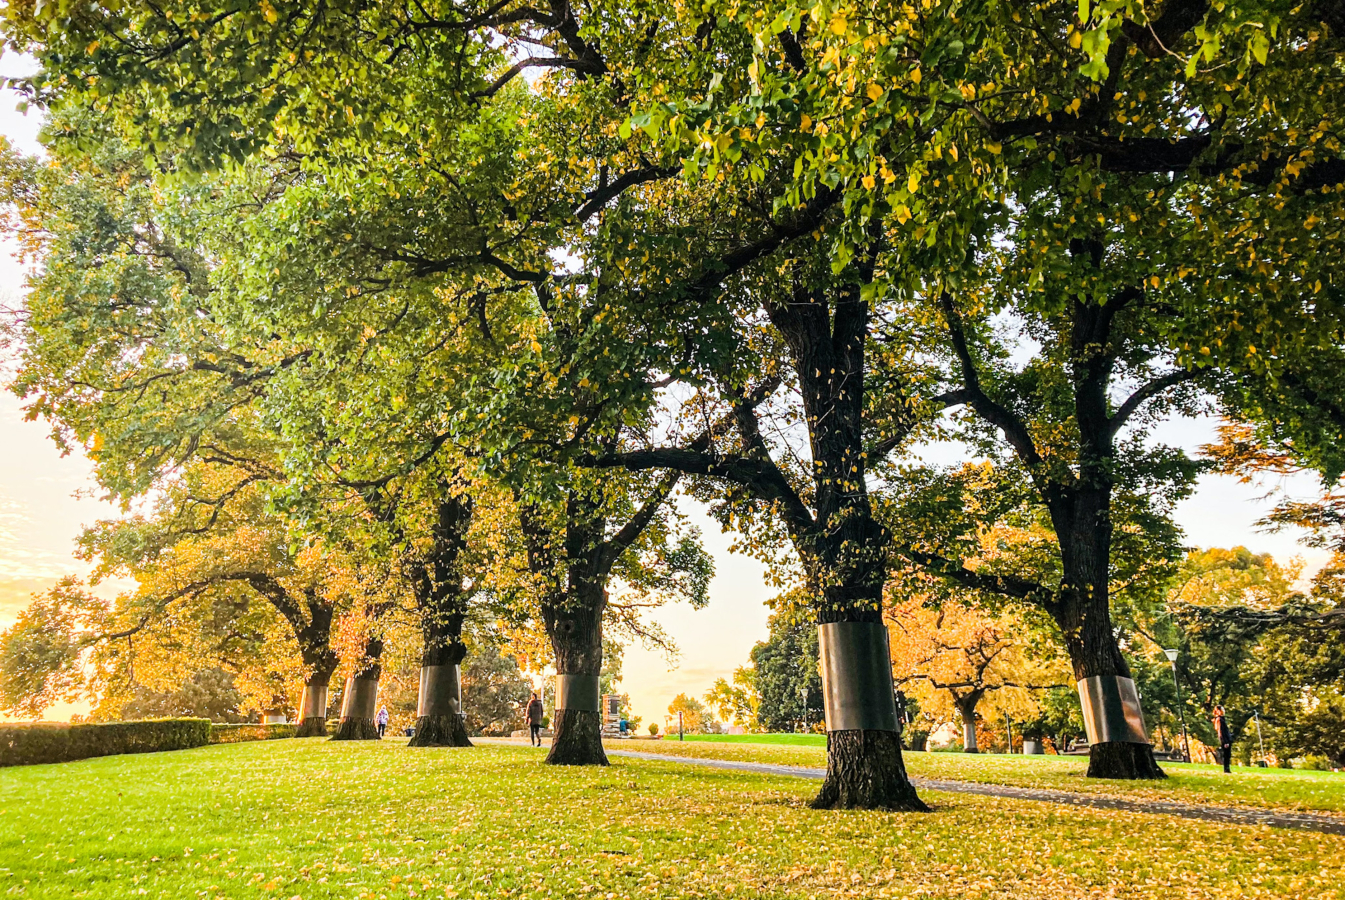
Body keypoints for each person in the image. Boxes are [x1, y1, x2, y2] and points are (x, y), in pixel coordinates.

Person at [1212, 705, 1232, 773]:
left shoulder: (1222, 719)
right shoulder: (1219, 720)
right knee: (1226, 755)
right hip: (1225, 740)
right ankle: (1226, 769)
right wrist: (1225, 741)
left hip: (1227, 739)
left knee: (1228, 755)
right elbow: (1221, 731)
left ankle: (1227, 768)